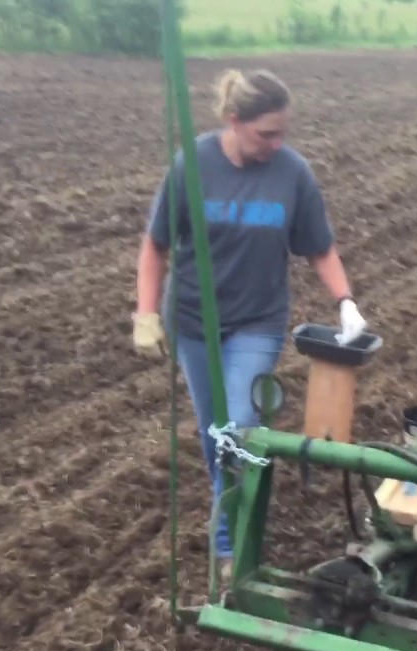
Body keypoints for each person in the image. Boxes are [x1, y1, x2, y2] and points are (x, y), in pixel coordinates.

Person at [131, 68, 367, 581]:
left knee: (239, 428)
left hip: (257, 321)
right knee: (215, 436)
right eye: (266, 134)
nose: (277, 144)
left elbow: (319, 247)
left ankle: (231, 548)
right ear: (234, 121)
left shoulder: (292, 173)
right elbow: (156, 245)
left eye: (283, 133)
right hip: (193, 321)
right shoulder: (192, 167)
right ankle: (235, 527)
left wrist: (345, 301)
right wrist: (145, 313)